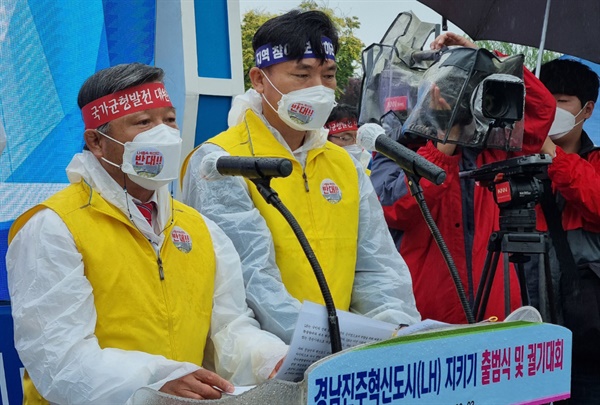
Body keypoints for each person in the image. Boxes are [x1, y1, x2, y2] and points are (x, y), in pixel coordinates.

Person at [6, 63, 287, 404]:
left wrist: (270, 359)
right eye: (143, 123)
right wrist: (156, 380)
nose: (164, 134)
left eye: (169, 120)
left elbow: (230, 329)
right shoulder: (53, 227)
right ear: (96, 141)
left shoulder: (199, 228)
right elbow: (60, 362)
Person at [181, 10, 420, 345]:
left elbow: (378, 269)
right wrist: (320, 344)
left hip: (341, 364)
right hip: (262, 364)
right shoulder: (221, 161)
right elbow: (249, 280)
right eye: (302, 74)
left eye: (328, 75)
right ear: (259, 79)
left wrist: (396, 335)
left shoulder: (346, 165)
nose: (319, 89)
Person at [370, 32, 556, 324]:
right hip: (427, 319)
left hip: (497, 313)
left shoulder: (494, 149)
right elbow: (399, 210)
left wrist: (483, 58)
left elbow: (542, 109)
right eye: (446, 91)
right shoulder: (395, 150)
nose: (454, 100)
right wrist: (446, 137)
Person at [535, 58, 600, 404]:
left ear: (587, 109)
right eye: (544, 98)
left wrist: (552, 153)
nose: (551, 108)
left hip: (586, 347)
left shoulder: (596, 160)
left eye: (561, 101)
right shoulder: (518, 158)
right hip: (528, 341)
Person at [324, 103, 372, 170]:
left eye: (358, 138)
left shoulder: (370, 169)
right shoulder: (313, 169)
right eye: (346, 138)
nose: (355, 145)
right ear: (326, 138)